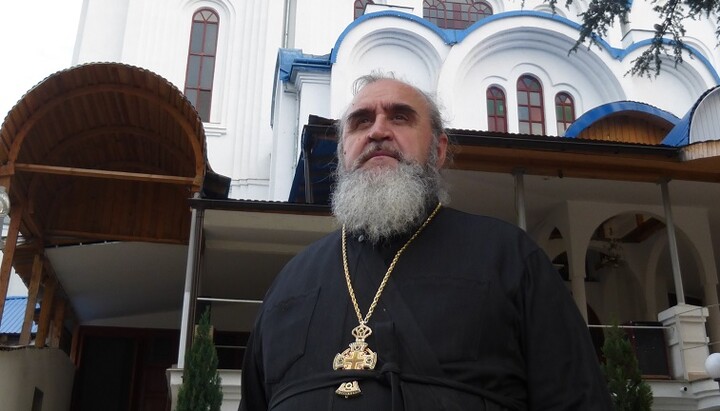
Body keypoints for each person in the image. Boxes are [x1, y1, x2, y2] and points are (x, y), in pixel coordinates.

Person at [239, 73, 613, 410]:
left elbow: (577, 399)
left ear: (438, 150)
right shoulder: (289, 281)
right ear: (342, 153)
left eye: (400, 117)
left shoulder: (508, 257)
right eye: (361, 121)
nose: (378, 131)